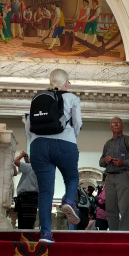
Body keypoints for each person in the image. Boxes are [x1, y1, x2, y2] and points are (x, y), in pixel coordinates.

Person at [26, 68, 82, 243]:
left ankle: (45, 234)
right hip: (65, 143)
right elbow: (77, 122)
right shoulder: (72, 98)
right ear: (66, 83)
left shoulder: (38, 97)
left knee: (44, 192)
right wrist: (72, 136)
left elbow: (29, 124)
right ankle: (69, 202)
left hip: (38, 145)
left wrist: (34, 142)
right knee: (72, 177)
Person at [99, 117, 129, 231]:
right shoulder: (108, 144)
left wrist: (124, 162)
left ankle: (124, 235)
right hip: (110, 177)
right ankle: (113, 233)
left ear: (122, 126)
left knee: (124, 208)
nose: (115, 125)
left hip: (123, 175)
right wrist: (105, 160)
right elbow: (100, 162)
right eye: (113, 123)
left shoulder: (128, 140)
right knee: (111, 209)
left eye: (118, 123)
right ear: (110, 127)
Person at [13, 150, 39, 229]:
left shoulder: (30, 167)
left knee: (24, 221)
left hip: (26, 197)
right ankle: (26, 237)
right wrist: (27, 161)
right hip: (33, 197)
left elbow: (16, 161)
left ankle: (24, 237)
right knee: (29, 219)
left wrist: (21, 155)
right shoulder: (38, 168)